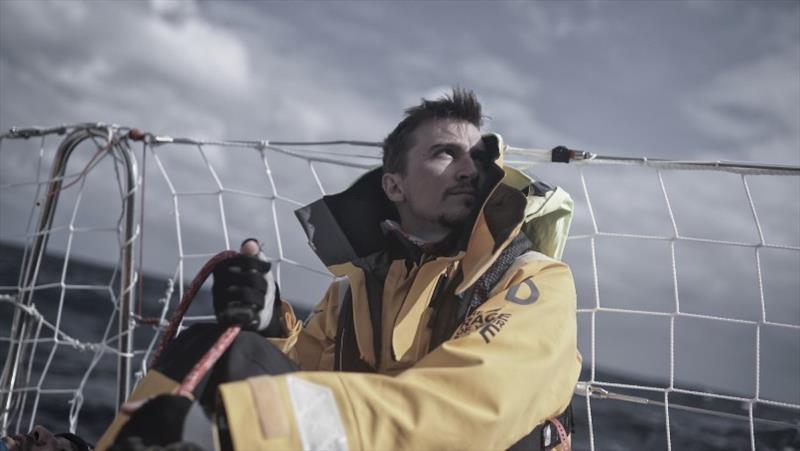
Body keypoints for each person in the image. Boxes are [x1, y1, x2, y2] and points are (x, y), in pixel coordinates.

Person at [99, 88, 581, 450]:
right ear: (394, 187)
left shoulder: (533, 280)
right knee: (215, 347)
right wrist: (269, 324)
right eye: (443, 153)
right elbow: (305, 372)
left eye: (475, 157)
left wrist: (230, 428)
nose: (467, 170)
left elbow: (471, 405)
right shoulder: (355, 292)